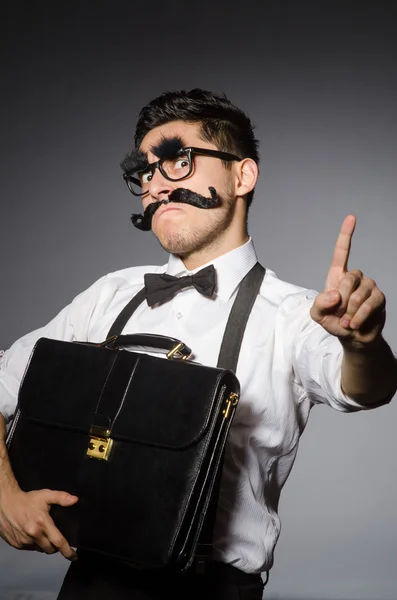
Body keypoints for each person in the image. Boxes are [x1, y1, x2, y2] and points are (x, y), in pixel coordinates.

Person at [0, 88, 396, 600]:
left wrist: (362, 342)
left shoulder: (296, 313)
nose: (156, 187)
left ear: (241, 176)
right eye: (144, 172)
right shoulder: (110, 293)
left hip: (215, 589)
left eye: (176, 161)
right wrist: (5, 496)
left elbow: (366, 390)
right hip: (89, 580)